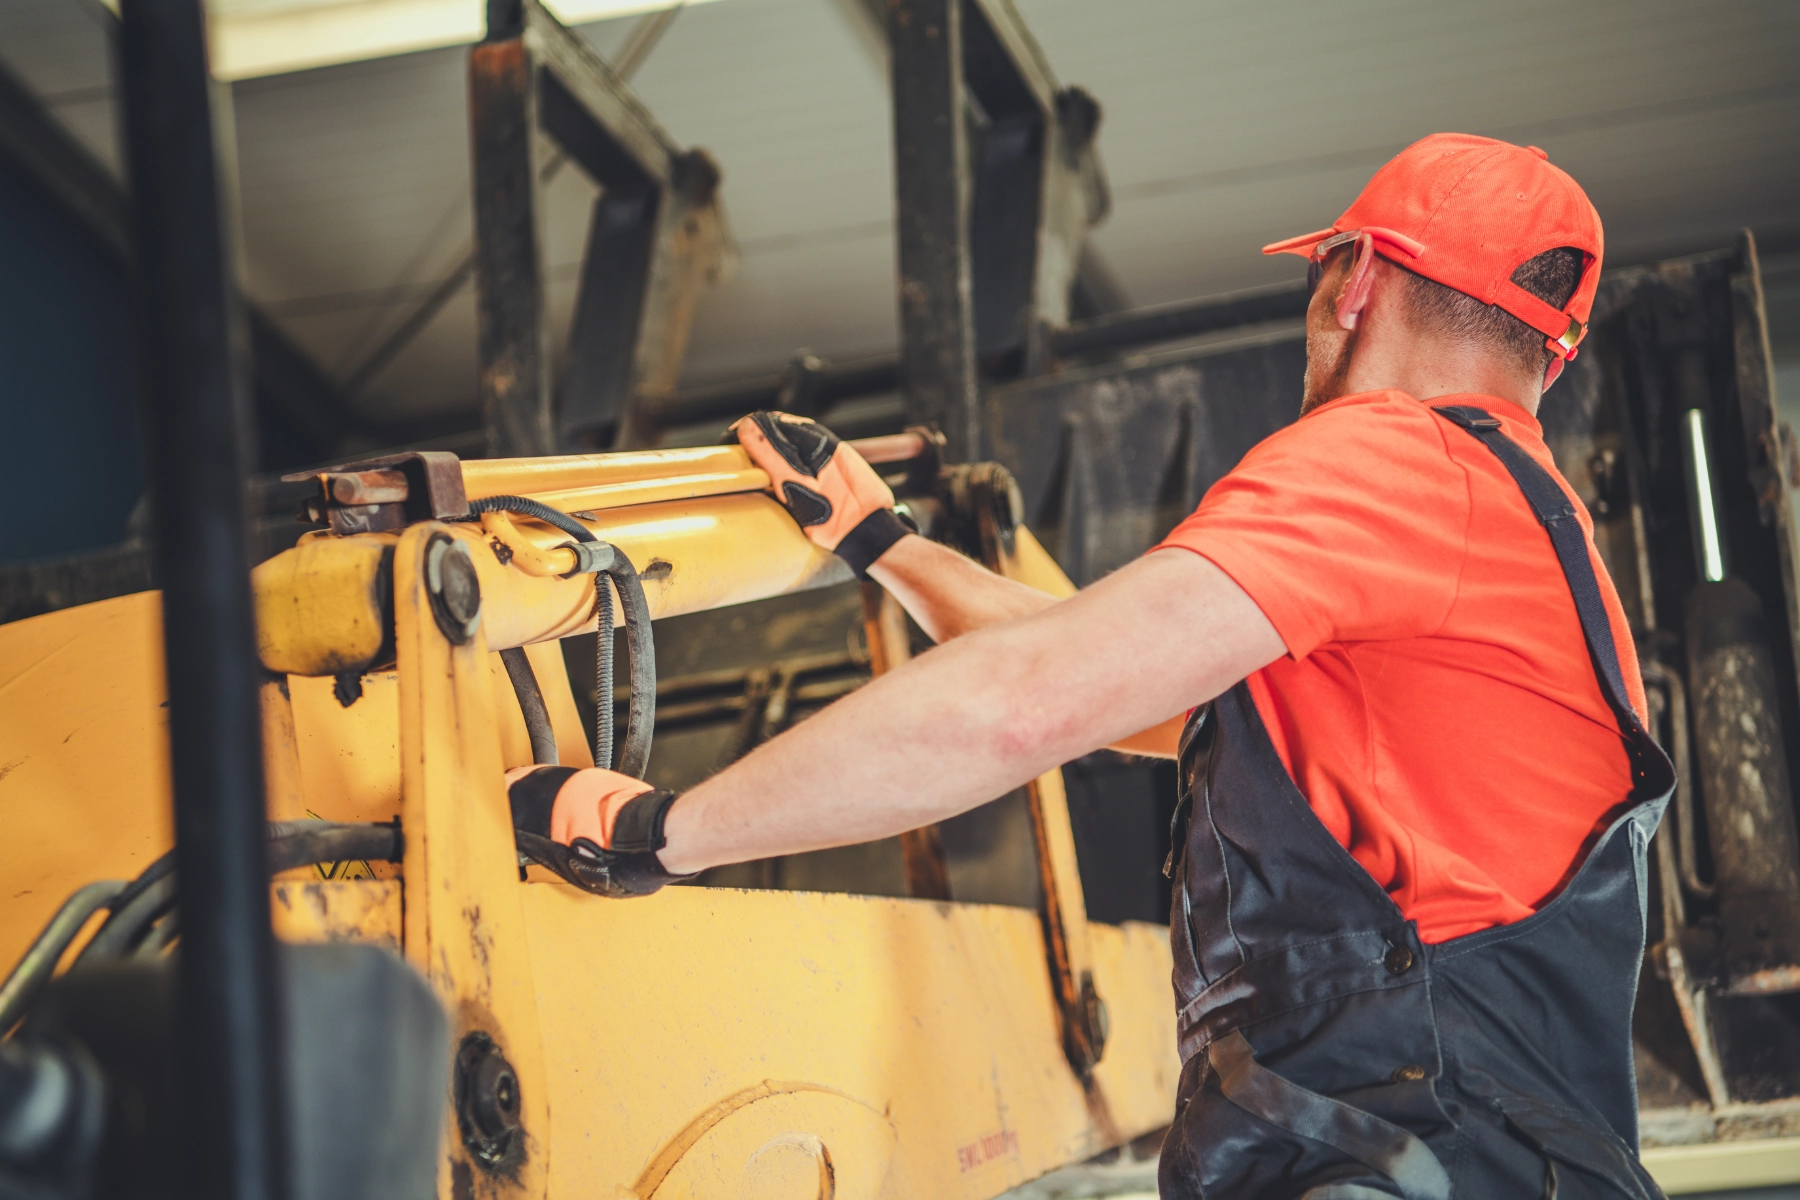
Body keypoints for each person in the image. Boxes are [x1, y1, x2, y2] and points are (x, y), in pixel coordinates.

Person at [507, 133, 1675, 1198]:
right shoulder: (1539, 562)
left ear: (1355, 279)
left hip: (1411, 1164)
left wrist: (659, 832)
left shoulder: (1391, 458)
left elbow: (1026, 706)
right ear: (1547, 355)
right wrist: (885, 545)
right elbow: (1138, 696)